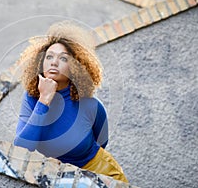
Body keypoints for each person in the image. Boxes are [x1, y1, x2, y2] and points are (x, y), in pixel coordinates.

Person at [14, 21, 128, 183]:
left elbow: (102, 142)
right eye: (49, 57)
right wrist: (44, 100)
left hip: (101, 173)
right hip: (56, 178)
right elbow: (22, 147)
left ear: (74, 67)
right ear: (40, 63)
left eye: (63, 58)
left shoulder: (91, 105)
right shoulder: (32, 99)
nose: (54, 62)